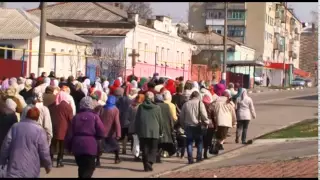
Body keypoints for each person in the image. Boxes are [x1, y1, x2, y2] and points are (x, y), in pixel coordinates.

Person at [0, 107, 52, 178]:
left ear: (26, 115)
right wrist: (48, 166)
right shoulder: (40, 131)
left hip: (14, 168)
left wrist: (2, 161)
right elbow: (44, 151)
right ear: (37, 118)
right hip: (31, 170)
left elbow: (6, 146)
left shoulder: (15, 127)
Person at [65, 96, 105, 178]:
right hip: (90, 145)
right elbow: (102, 132)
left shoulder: (76, 117)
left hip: (77, 145)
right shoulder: (94, 117)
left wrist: (68, 147)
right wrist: (97, 137)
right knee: (89, 168)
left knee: (82, 167)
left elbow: (70, 134)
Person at [135, 92, 163, 172]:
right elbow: (160, 120)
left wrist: (137, 130)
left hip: (143, 131)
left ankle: (146, 166)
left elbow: (137, 120)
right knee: (153, 149)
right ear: (152, 98)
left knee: (144, 149)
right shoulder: (157, 108)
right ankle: (150, 162)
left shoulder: (141, 107)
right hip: (154, 131)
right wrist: (161, 130)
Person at [179, 91, 209, 164]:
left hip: (188, 125)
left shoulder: (186, 104)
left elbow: (181, 116)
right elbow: (204, 114)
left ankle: (190, 159)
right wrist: (206, 122)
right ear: (198, 96)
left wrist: (183, 125)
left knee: (189, 142)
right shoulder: (200, 103)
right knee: (199, 141)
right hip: (197, 125)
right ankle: (199, 157)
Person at [48, 91, 73, 168]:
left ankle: (50, 160)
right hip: (64, 128)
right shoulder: (68, 106)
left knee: (53, 144)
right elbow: (70, 119)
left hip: (53, 126)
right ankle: (60, 161)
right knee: (62, 145)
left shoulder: (52, 105)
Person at [98, 95, 122, 165]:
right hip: (111, 132)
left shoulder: (102, 108)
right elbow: (117, 122)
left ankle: (98, 161)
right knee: (116, 146)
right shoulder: (115, 109)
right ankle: (117, 158)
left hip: (101, 131)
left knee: (99, 147)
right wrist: (118, 134)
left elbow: (98, 119)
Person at [213, 90, 237, 154]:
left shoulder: (216, 101)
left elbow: (211, 109)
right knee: (224, 134)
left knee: (219, 134)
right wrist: (234, 122)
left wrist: (212, 117)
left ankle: (219, 145)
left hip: (218, 120)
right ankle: (219, 144)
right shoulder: (229, 103)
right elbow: (233, 113)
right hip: (227, 121)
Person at [128, 94, 145, 161]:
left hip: (131, 125)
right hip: (139, 126)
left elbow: (128, 117)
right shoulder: (141, 107)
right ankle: (137, 155)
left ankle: (135, 155)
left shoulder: (130, 106)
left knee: (133, 140)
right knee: (138, 141)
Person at [202, 94, 217, 159]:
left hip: (202, 124)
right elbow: (214, 117)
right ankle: (205, 153)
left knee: (203, 139)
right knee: (208, 140)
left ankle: (200, 153)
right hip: (210, 125)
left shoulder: (200, 106)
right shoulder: (211, 107)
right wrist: (216, 126)